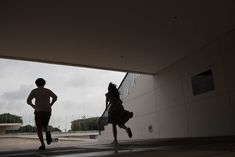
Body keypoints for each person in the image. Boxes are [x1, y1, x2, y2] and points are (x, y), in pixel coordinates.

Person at [27, 78, 57, 150]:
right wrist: (51, 104)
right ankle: (47, 131)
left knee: (39, 128)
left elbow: (28, 101)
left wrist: (33, 106)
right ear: (44, 84)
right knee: (45, 125)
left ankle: (42, 144)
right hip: (47, 110)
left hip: (38, 110)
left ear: (36, 84)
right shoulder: (47, 90)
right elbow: (55, 97)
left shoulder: (34, 91)